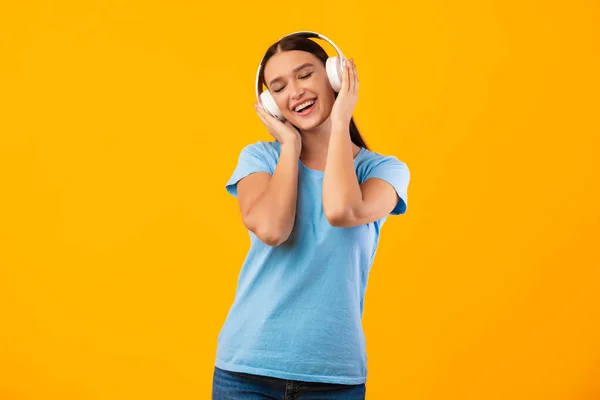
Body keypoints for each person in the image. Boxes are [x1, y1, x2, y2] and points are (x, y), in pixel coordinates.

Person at [212, 32, 411, 400]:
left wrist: (339, 123)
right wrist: (290, 147)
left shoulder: (384, 171)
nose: (296, 91)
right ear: (271, 104)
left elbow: (341, 209)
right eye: (279, 86)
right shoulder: (260, 160)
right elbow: (272, 230)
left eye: (305, 75)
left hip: (334, 378)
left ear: (335, 76)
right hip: (246, 371)